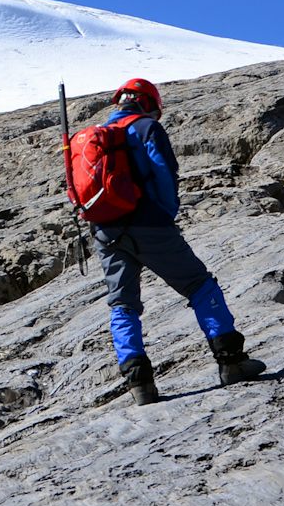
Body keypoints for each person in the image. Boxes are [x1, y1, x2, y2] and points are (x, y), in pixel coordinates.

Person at [85, 77, 264, 405]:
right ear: (150, 104)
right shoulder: (145, 128)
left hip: (105, 230)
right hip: (149, 224)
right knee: (200, 286)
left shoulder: (94, 136)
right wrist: (165, 216)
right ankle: (232, 363)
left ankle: (140, 385)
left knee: (122, 304)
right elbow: (165, 175)